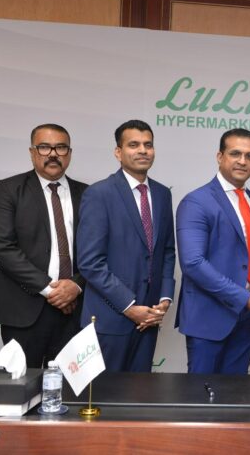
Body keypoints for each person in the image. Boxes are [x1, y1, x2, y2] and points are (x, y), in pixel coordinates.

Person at [0, 123, 87, 368]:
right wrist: (51, 290)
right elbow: (2, 247)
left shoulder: (88, 194)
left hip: (76, 309)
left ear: (69, 153)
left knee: (69, 385)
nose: (53, 154)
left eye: (60, 147)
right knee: (21, 385)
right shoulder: (9, 189)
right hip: (24, 309)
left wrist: (76, 286)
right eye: (45, 147)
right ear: (32, 152)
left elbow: (97, 251)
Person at [176, 128, 250, 374]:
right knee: (201, 394)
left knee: (236, 392)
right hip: (209, 318)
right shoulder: (196, 201)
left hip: (246, 318)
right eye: (235, 153)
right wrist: (246, 298)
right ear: (219, 156)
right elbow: (193, 263)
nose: (242, 161)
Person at [76, 120, 176, 372]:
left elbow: (166, 251)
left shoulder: (163, 194)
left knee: (139, 392)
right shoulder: (99, 194)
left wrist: (164, 298)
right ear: (118, 152)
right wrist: (129, 307)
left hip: (149, 319)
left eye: (148, 145)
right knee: (105, 393)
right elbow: (90, 263)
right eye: (134, 145)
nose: (143, 150)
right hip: (110, 320)